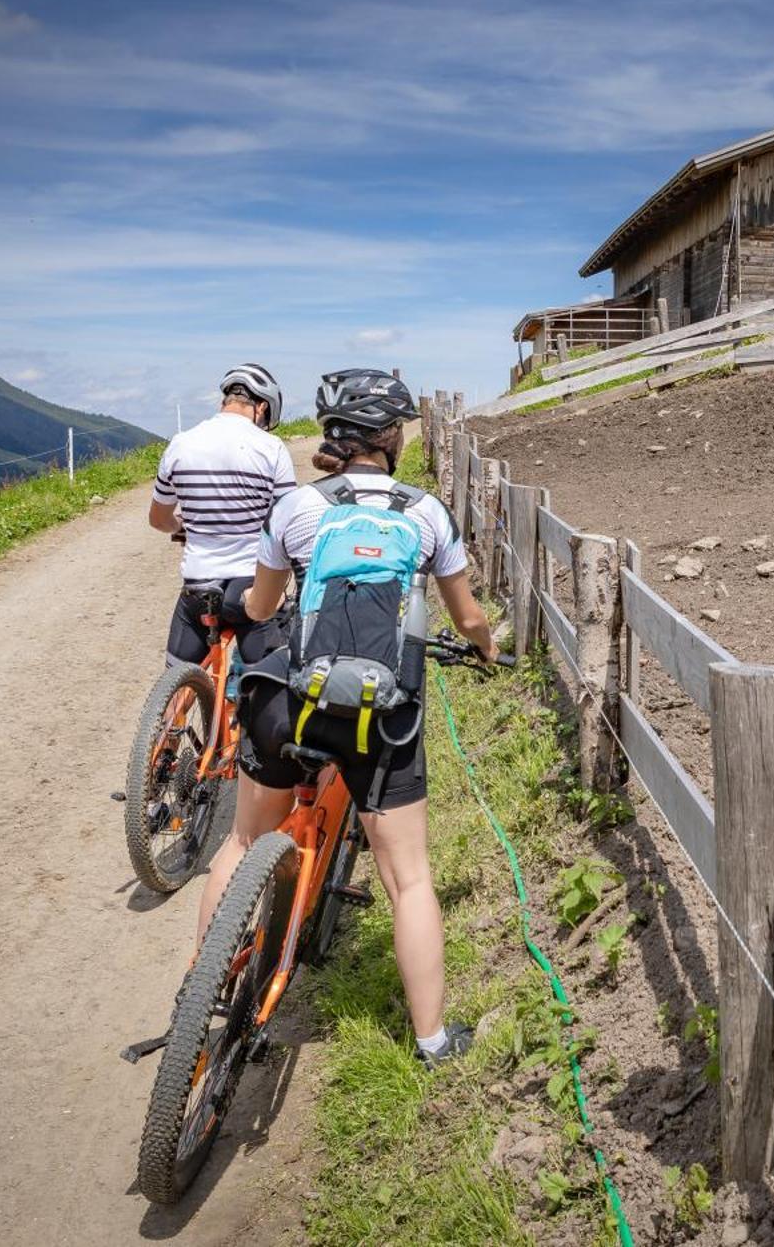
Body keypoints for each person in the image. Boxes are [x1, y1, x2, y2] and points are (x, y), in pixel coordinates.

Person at [216, 368, 496, 1067]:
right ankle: (432, 1041)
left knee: (243, 839)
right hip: (381, 716)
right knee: (409, 878)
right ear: (392, 437)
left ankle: (206, 991)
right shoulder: (427, 513)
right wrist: (486, 646)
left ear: (336, 437)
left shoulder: (296, 509)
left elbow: (258, 605)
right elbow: (468, 616)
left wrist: (258, 612)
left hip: (294, 701)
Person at [147, 363, 294, 665]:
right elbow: (287, 521)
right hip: (252, 587)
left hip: (199, 585)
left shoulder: (180, 444)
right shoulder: (271, 447)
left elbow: (158, 519)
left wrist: (181, 525)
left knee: (176, 683)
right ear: (262, 407)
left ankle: (170, 706)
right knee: (271, 680)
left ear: (223, 402)